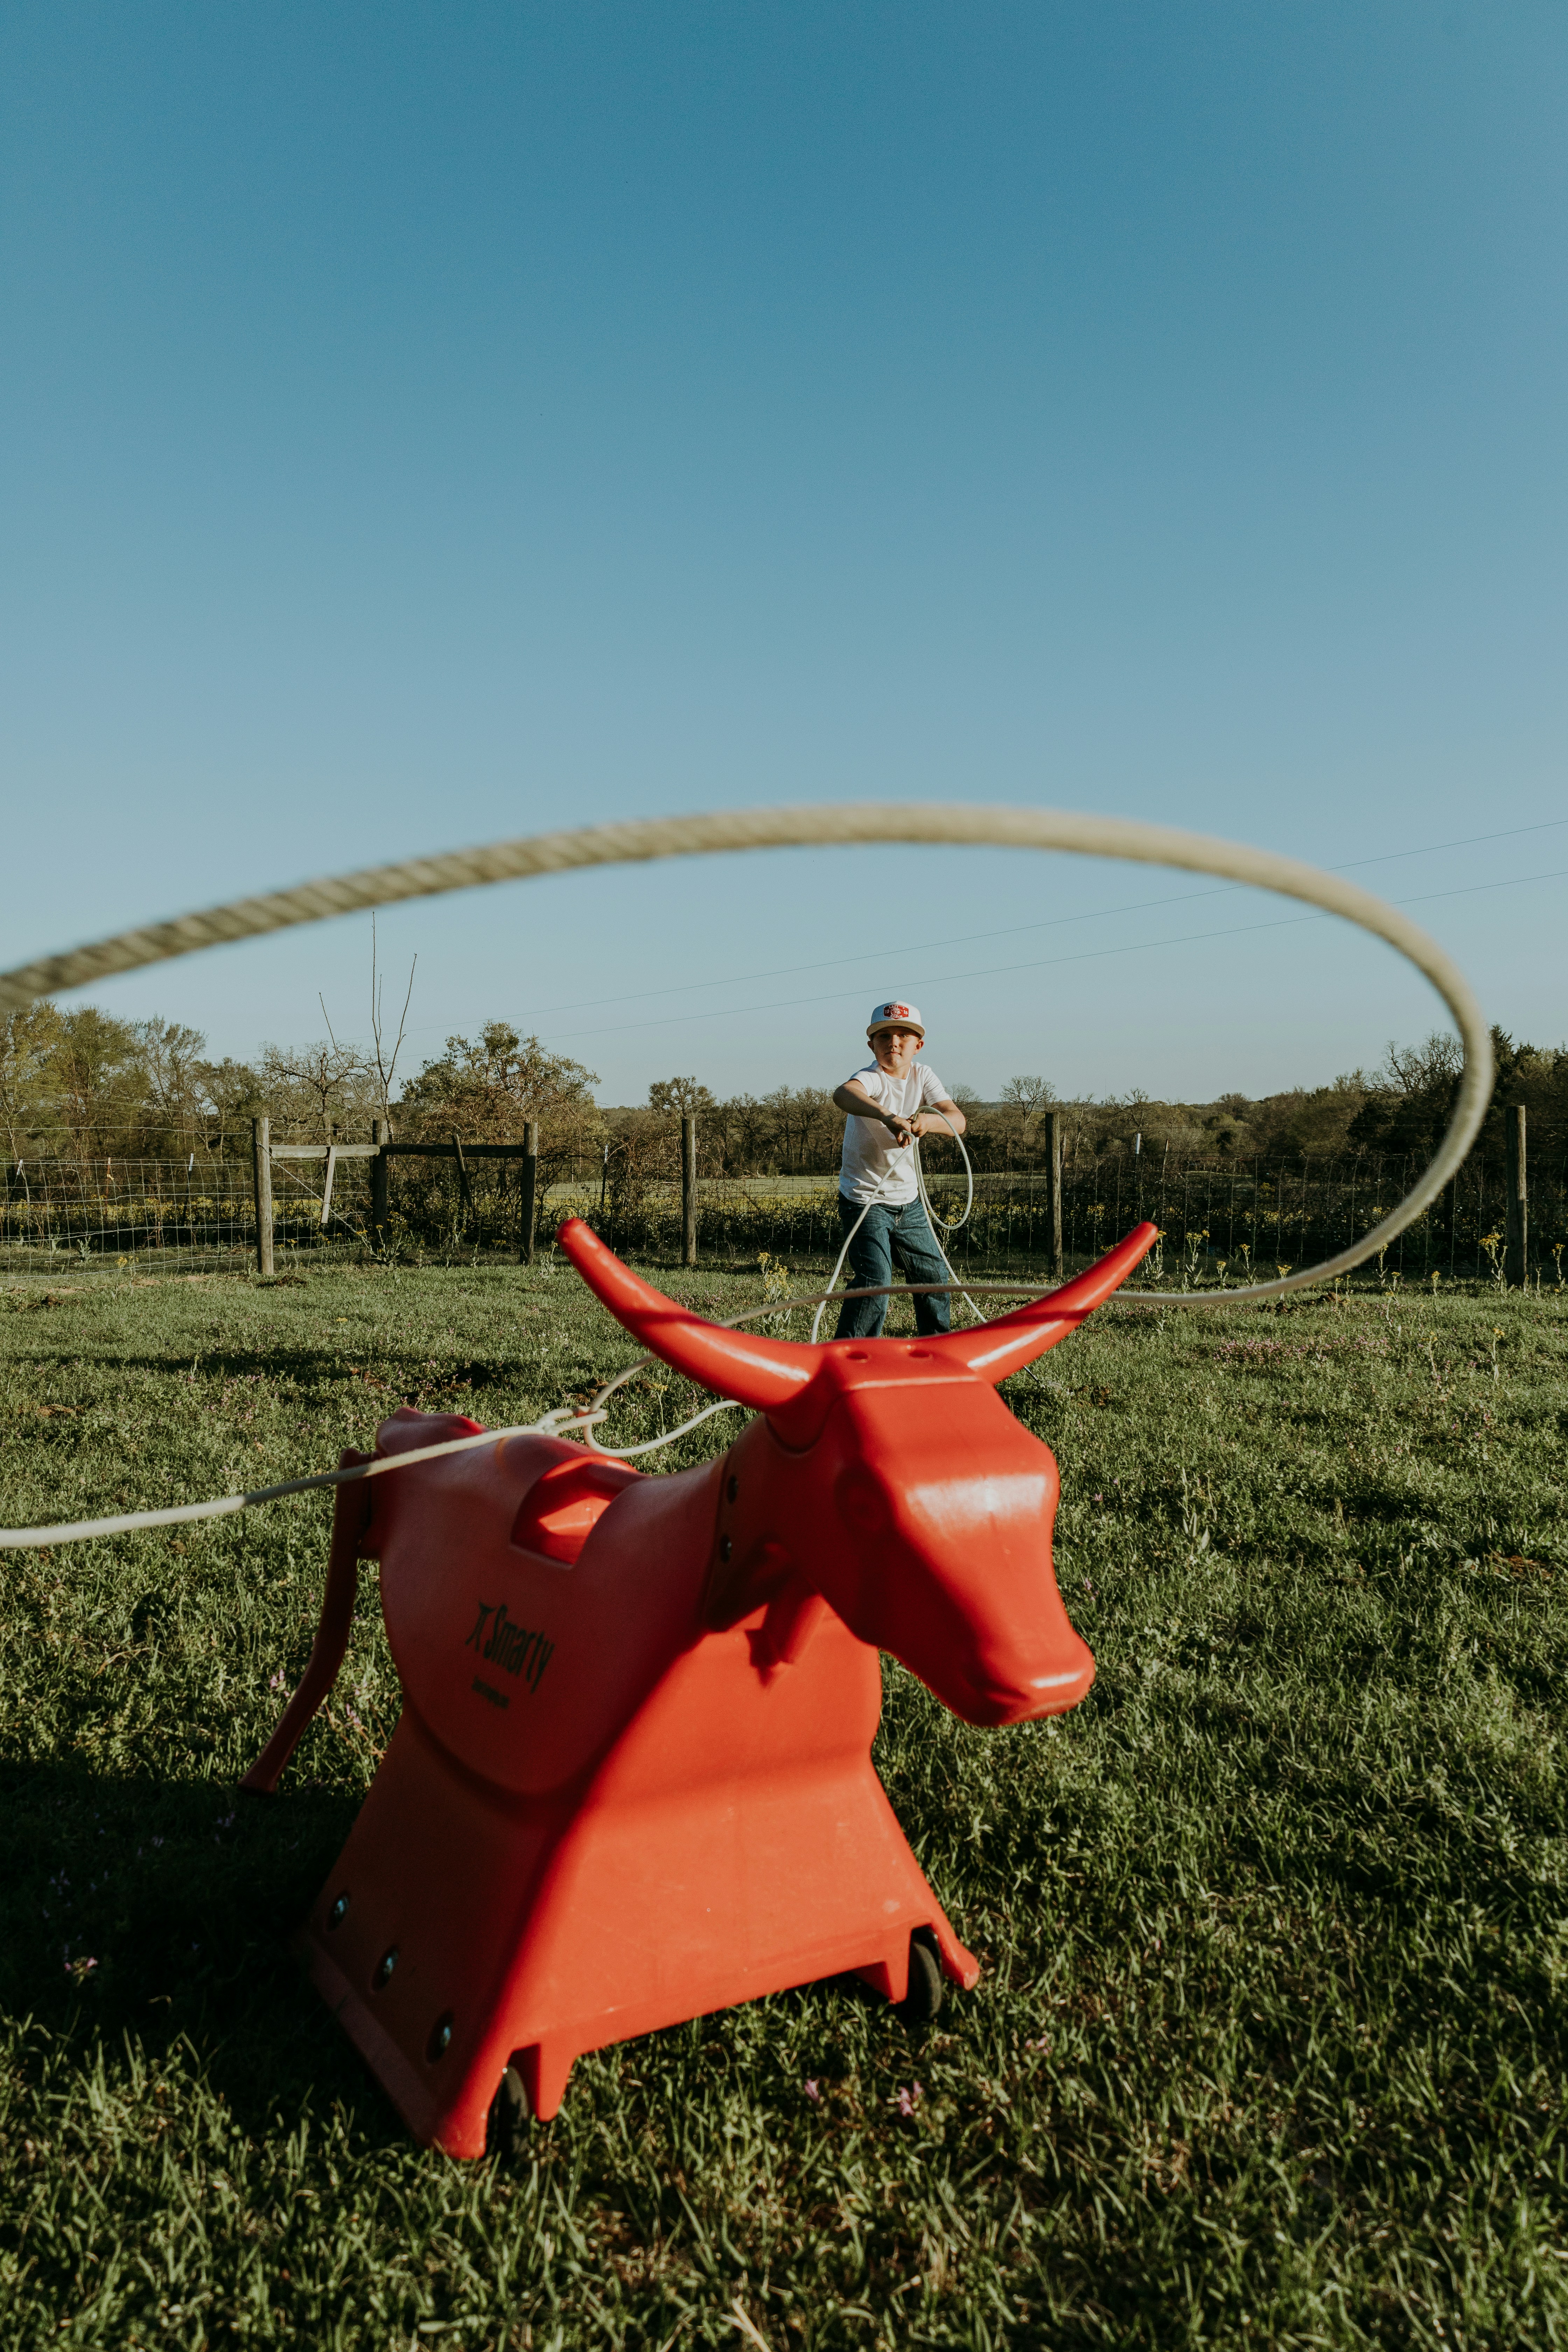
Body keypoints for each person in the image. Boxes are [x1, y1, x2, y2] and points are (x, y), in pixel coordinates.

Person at [830, 1001, 967, 1341]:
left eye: (903, 1036)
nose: (894, 1042)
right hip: (865, 1200)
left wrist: (927, 1121)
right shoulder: (871, 1079)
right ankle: (851, 1357)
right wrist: (887, 1117)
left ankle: (936, 1349)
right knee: (875, 1283)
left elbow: (958, 1121)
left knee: (932, 1276)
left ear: (918, 1046)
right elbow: (844, 1094)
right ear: (871, 1046)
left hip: (909, 1201)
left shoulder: (924, 1075)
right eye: (884, 1036)